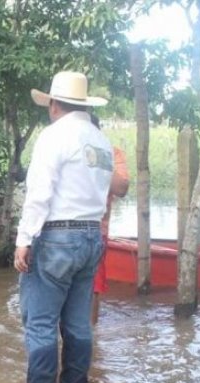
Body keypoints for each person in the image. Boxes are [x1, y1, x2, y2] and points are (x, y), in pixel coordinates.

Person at [14, 71, 112, 383]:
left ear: (54, 104)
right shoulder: (99, 140)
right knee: (77, 321)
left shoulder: (54, 136)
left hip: (57, 236)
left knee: (40, 322)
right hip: (91, 235)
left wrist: (24, 239)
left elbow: (39, 193)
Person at [89, 115, 130, 325]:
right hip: (63, 229)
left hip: (96, 231)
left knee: (93, 286)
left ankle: (91, 338)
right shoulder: (64, 147)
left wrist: (96, 156)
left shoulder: (112, 154)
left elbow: (121, 187)